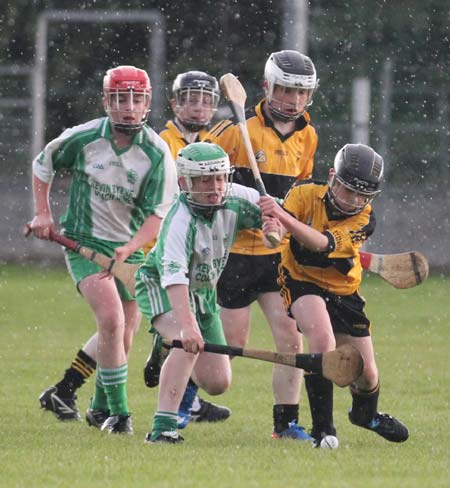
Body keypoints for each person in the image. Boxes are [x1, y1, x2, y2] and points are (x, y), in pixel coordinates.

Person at [32, 65, 179, 433]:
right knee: (112, 321)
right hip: (84, 244)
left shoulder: (157, 154)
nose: (128, 107)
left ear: (147, 102)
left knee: (125, 330)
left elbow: (158, 215)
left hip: (132, 249)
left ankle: (82, 399)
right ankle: (120, 414)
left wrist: (129, 248)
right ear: (106, 102)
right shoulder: (82, 138)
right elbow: (43, 165)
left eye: (136, 98)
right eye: (119, 99)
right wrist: (42, 213)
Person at [258, 143, 409, 448]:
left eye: (362, 195)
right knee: (322, 341)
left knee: (366, 375)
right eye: (347, 190)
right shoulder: (303, 194)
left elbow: (318, 243)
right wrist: (272, 226)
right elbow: (277, 234)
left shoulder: (364, 219)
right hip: (300, 281)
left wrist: (283, 218)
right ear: (331, 177)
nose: (353, 200)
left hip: (343, 290)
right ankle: (323, 430)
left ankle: (366, 416)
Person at [206, 50, 319, 440]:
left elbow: (300, 192)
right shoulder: (234, 130)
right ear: (268, 87)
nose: (293, 100)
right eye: (286, 90)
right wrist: (252, 204)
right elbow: (201, 178)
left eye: (302, 93)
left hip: (276, 257)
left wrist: (285, 219)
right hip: (232, 254)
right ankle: (184, 396)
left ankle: (285, 424)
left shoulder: (308, 136)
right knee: (228, 346)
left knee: (291, 339)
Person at [134, 141, 271, 443]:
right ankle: (162, 428)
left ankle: (164, 345)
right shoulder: (179, 221)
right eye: (205, 180)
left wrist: (276, 224)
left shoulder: (237, 198)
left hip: (204, 293)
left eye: (221, 177)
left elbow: (277, 210)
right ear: (185, 182)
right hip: (161, 285)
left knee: (217, 382)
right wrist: (186, 326)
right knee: (186, 343)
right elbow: (173, 279)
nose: (215, 186)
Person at [143, 71, 231, 427]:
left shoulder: (215, 142)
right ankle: (168, 411)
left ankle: (182, 387)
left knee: (213, 363)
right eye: (190, 99)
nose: (198, 107)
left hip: (201, 246)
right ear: (175, 103)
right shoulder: (162, 140)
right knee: (126, 323)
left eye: (206, 100)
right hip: (163, 239)